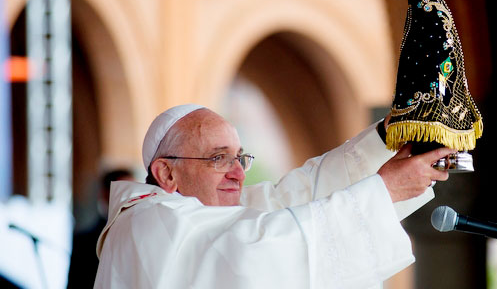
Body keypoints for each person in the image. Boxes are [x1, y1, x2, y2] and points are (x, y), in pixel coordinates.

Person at [94, 104, 452, 288]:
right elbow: (254, 253)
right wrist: (382, 191)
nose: (237, 172)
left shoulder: (205, 213)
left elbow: (293, 199)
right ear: (166, 174)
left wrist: (384, 141)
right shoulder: (147, 222)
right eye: (218, 158)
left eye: (239, 157)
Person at [67, 169, 134, 289]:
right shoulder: (84, 241)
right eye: (125, 191)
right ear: (104, 194)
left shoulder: (141, 235)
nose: (131, 198)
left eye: (135, 192)